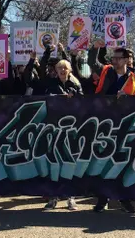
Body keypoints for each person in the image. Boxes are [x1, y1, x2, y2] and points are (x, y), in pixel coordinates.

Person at [88, 39, 135, 214]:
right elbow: (92, 62)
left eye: (119, 58)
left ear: (127, 60)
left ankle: (124, 199)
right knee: (103, 162)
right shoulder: (106, 72)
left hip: (125, 125)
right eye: (114, 58)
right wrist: (95, 48)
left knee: (122, 164)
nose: (115, 61)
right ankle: (102, 198)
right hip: (105, 124)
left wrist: (128, 99)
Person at [43, 59, 83, 211]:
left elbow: (83, 101)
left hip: (72, 127)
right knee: (54, 161)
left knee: (70, 161)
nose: (62, 70)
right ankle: (53, 197)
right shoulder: (52, 83)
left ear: (70, 70)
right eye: (59, 68)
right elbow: (46, 99)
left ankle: (70, 197)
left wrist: (75, 97)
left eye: (65, 68)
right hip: (54, 127)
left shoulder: (76, 83)